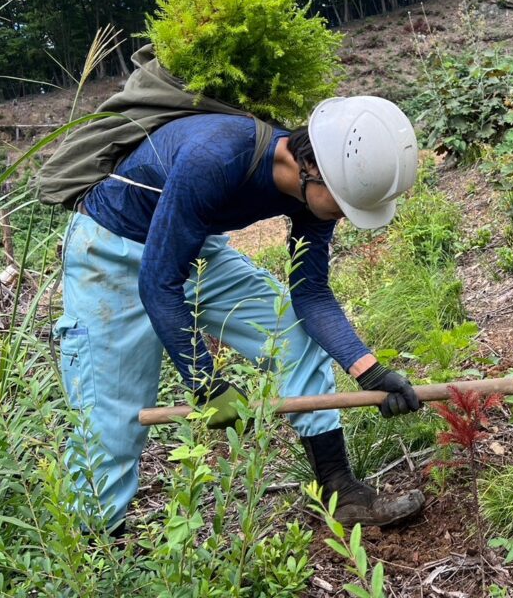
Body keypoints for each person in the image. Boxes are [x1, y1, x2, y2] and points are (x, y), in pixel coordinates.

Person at [54, 91, 426, 534]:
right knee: (113, 419)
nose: (344, 216)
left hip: (193, 248)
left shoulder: (316, 192)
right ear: (313, 170)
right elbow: (158, 284)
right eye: (345, 206)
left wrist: (369, 372)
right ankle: (96, 550)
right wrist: (205, 383)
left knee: (291, 331)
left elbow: (311, 294)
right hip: (112, 253)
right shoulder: (217, 156)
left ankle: (339, 489)